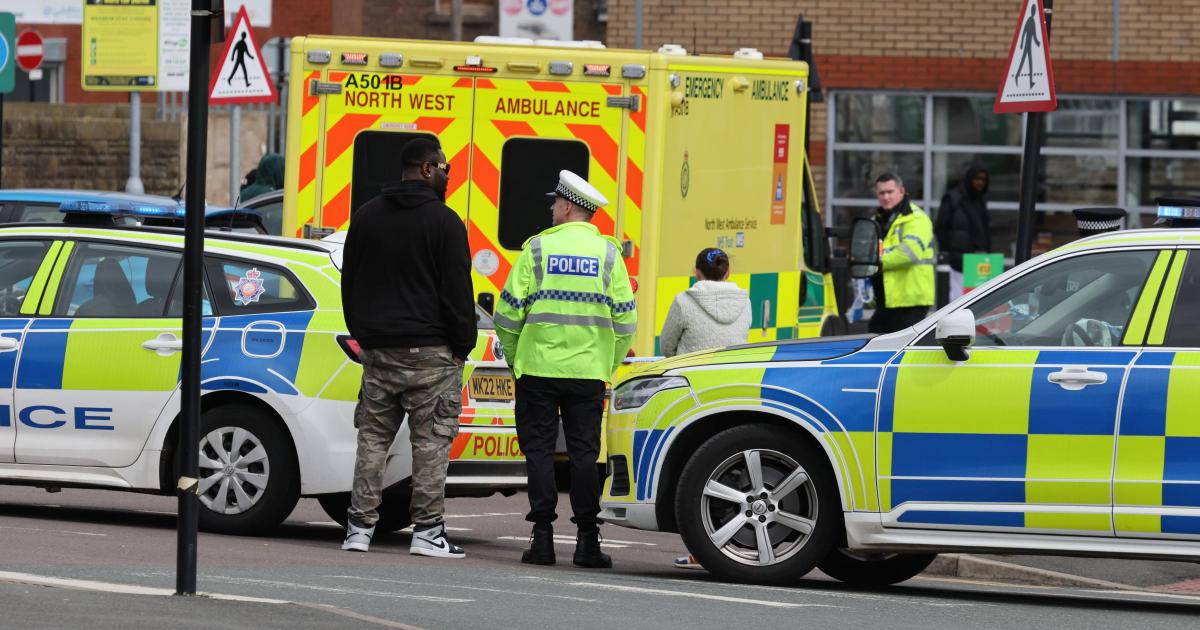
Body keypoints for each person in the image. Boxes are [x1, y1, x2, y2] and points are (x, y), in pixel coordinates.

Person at [339, 138, 476, 558]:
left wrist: (366, 337)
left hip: (379, 352)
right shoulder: (445, 223)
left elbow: (351, 284)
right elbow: (457, 292)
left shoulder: (365, 218)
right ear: (428, 169)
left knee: (373, 440)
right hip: (432, 353)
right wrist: (461, 347)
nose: (449, 176)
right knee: (431, 443)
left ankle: (358, 529)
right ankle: (428, 532)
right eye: (446, 167)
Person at [494, 170, 637, 569]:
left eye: (555, 202)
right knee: (585, 456)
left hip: (537, 370)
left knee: (538, 452)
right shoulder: (610, 255)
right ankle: (587, 543)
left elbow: (506, 315)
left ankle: (541, 539)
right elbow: (626, 321)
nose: (551, 208)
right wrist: (607, 363)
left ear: (569, 206)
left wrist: (515, 357)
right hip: (588, 373)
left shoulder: (536, 250)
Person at [869, 173, 935, 334]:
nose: (886, 197)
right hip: (887, 299)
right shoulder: (877, 219)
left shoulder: (916, 219)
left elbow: (908, 254)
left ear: (902, 191)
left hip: (910, 301)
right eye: (881, 193)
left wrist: (872, 262)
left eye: (890, 192)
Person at [660, 248, 750, 357]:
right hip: (735, 372)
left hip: (691, 372)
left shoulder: (683, 301)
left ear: (697, 273)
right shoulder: (745, 301)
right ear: (728, 273)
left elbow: (667, 347)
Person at [935, 163, 991, 301]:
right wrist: (949, 251)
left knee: (978, 303)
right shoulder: (952, 198)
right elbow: (940, 227)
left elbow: (985, 230)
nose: (980, 183)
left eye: (983, 179)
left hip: (978, 261)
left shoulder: (980, 201)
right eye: (977, 178)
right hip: (957, 262)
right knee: (956, 301)